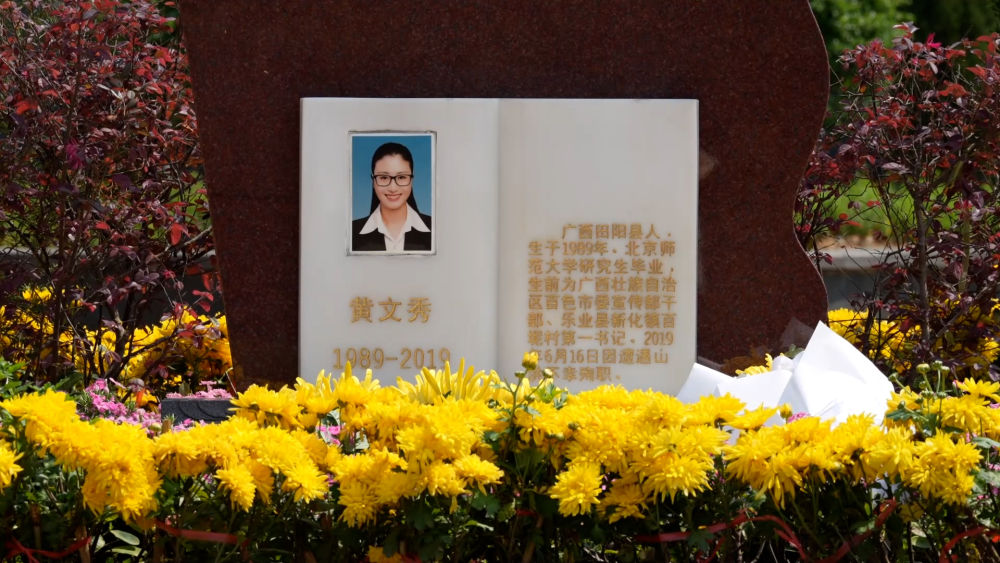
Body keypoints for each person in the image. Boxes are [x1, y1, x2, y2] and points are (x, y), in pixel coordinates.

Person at [351, 142, 432, 252]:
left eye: (401, 177)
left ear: (411, 179)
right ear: (373, 181)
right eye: (384, 177)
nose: (393, 188)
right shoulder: (351, 232)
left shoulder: (436, 229)